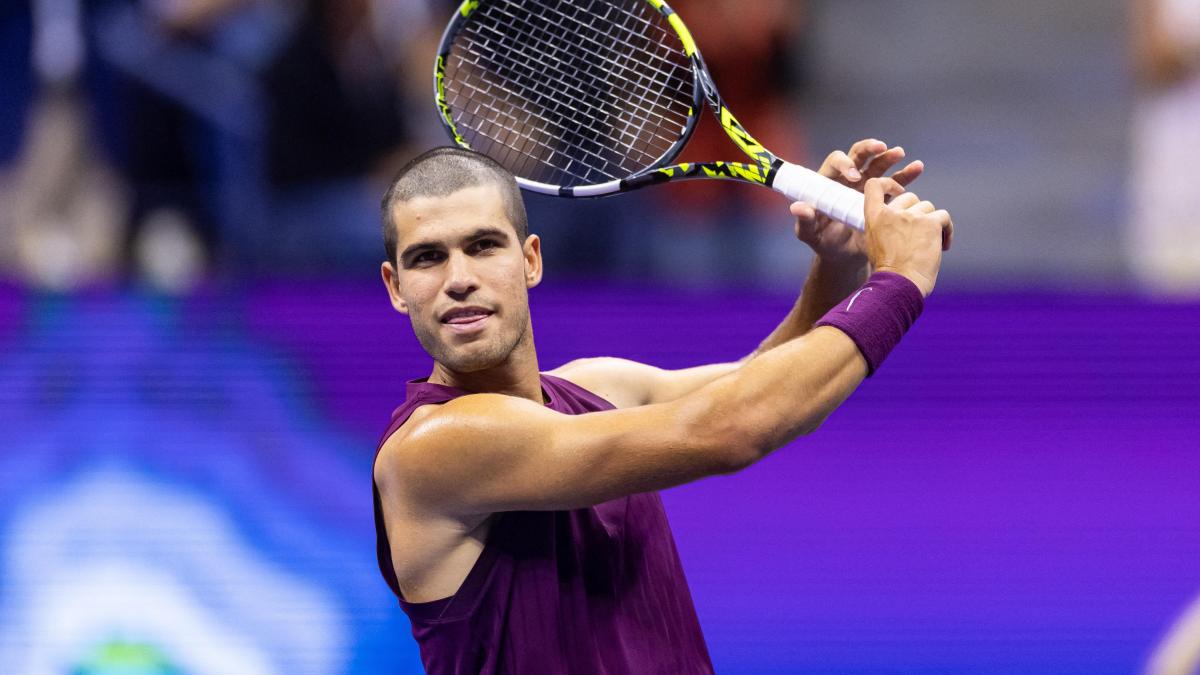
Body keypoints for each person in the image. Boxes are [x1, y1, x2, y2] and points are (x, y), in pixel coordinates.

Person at [372, 140, 952, 673]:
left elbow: (772, 384)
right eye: (427, 258)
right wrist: (900, 278)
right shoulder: (433, 447)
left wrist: (838, 264)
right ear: (396, 287)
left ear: (530, 260)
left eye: (482, 246)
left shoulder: (599, 386)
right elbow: (734, 429)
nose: (459, 279)